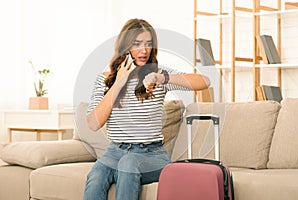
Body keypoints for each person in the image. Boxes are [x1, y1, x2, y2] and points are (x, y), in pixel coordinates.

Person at [83, 18, 210, 200]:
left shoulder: (156, 74)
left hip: (151, 154)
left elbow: (205, 81)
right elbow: (94, 123)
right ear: (125, 47)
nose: (144, 50)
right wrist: (119, 82)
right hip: (115, 151)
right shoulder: (105, 79)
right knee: (96, 176)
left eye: (148, 44)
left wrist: (162, 78)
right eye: (137, 44)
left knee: (128, 163)